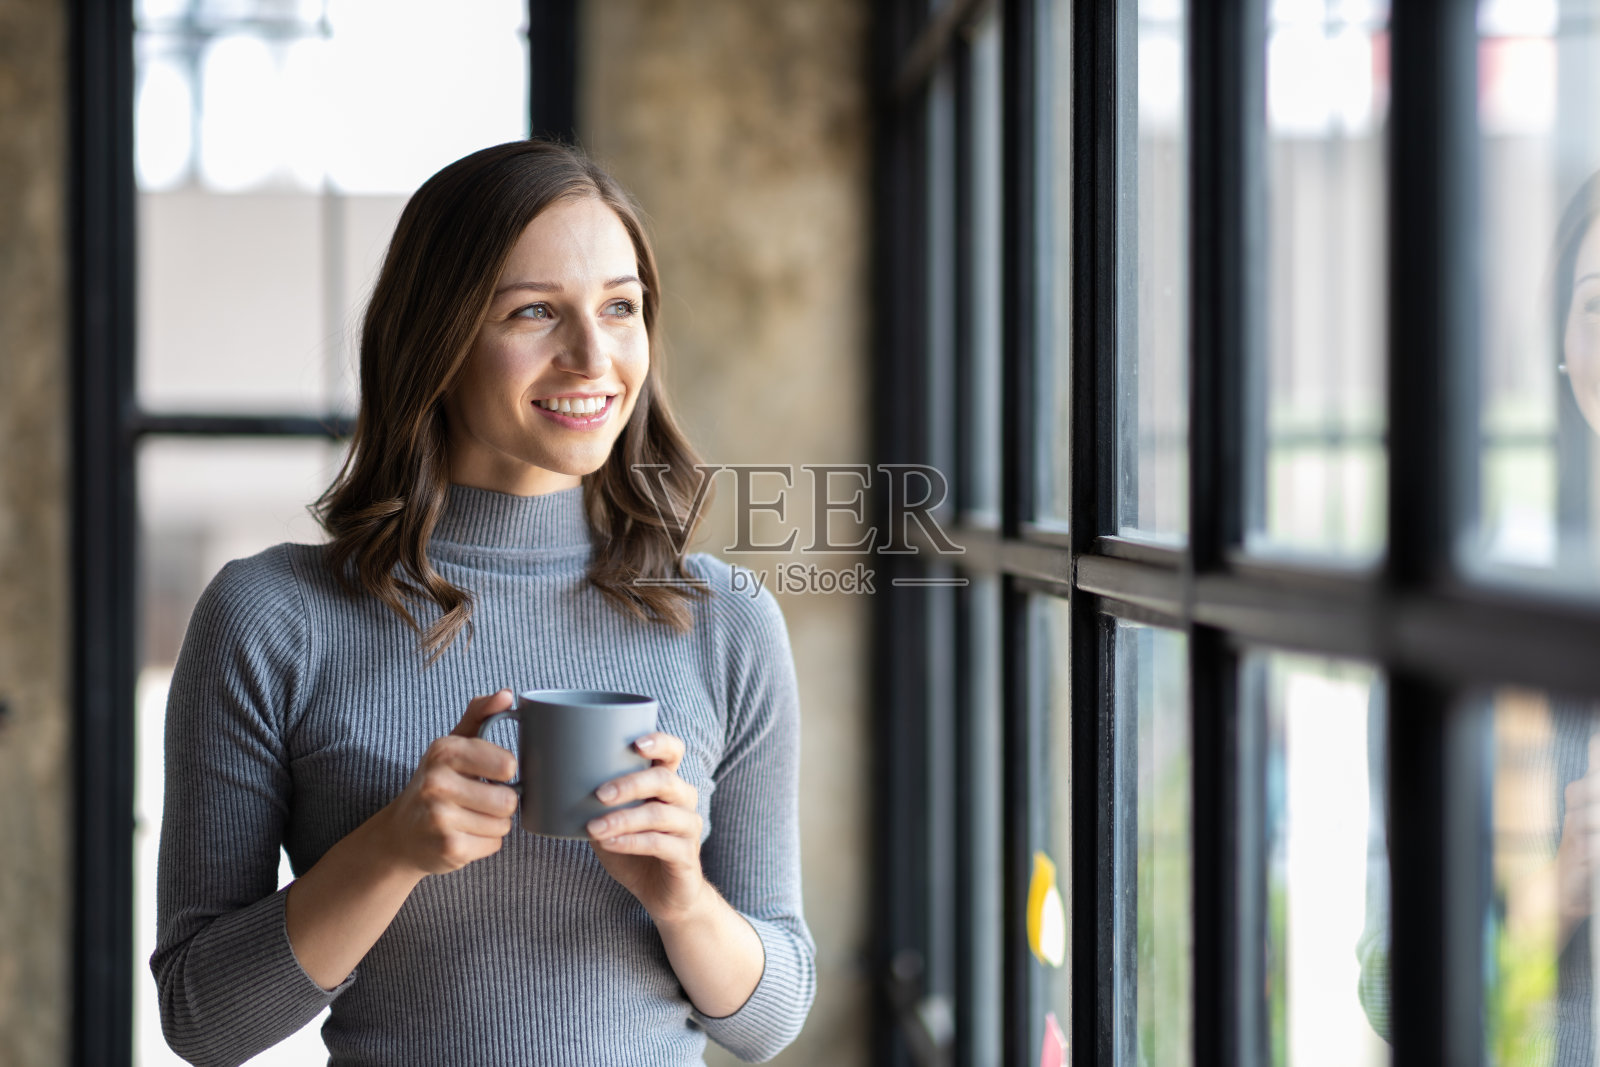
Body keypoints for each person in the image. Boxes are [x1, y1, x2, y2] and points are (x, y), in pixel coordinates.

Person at [150, 139, 815, 1066]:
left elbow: (770, 1018)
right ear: (440, 336)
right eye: (536, 311)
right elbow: (201, 1019)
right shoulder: (272, 616)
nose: (592, 356)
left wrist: (683, 899)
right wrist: (387, 851)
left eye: (620, 308)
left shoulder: (727, 622)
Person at [1356, 170, 1600, 1063]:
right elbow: (1389, 987)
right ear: (1562, 349)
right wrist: (1560, 889)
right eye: (1598, 305)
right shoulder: (1479, 612)